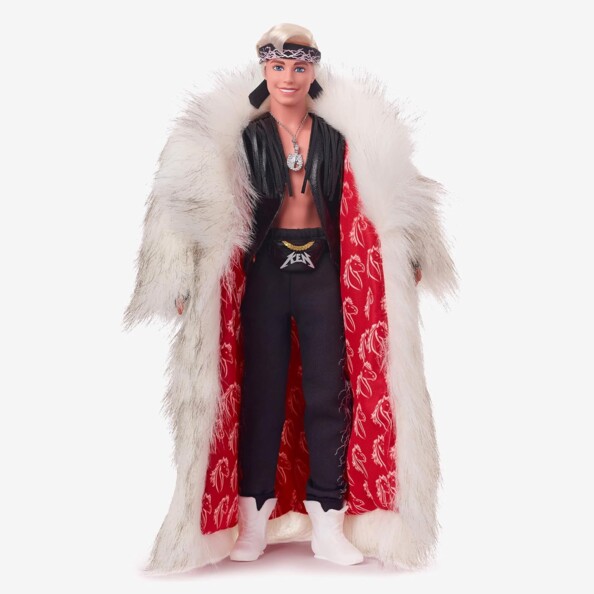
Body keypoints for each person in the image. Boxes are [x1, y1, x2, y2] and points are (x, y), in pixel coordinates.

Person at [123, 22, 457, 574]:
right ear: (265, 69)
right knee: (261, 396)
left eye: (299, 67)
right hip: (265, 274)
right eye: (278, 66)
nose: (288, 77)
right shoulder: (241, 139)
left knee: (329, 392)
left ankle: (329, 520)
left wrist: (410, 251)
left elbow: (393, 192)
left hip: (322, 270)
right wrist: (180, 276)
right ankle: (252, 519)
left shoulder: (338, 137)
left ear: (312, 70)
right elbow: (189, 205)